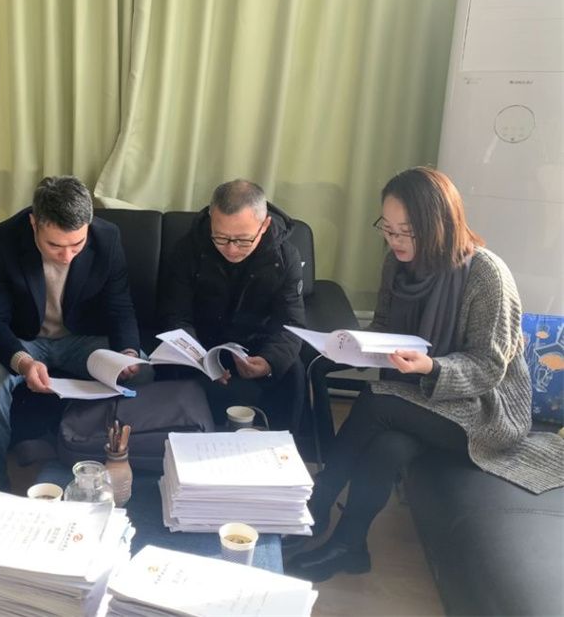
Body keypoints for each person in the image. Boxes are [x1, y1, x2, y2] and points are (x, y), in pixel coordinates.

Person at [285, 167, 564, 583]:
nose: (394, 241)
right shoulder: (397, 265)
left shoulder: (487, 274)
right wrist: (351, 345)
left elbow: (490, 365)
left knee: (377, 401)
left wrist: (433, 366)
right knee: (390, 446)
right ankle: (349, 545)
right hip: (422, 398)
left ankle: (317, 501)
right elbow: (384, 327)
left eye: (407, 232)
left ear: (439, 225)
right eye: (388, 229)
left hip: (485, 411)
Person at [0, 175, 142, 492]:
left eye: (77, 245)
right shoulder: (1, 240)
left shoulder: (107, 237)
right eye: (55, 245)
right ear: (34, 223)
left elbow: (120, 306)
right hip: (24, 341)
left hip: (82, 340)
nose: (67, 256)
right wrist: (23, 362)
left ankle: (105, 458)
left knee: (143, 369)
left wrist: (128, 353)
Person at [158, 179, 306, 430]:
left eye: (243, 240)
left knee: (292, 370)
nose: (231, 249)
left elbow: (291, 323)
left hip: (257, 346)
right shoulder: (188, 250)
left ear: (264, 225)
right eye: (221, 237)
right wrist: (200, 360)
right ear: (211, 220)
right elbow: (176, 315)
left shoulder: (284, 257)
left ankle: (280, 445)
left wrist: (269, 361)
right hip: (202, 345)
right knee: (171, 368)